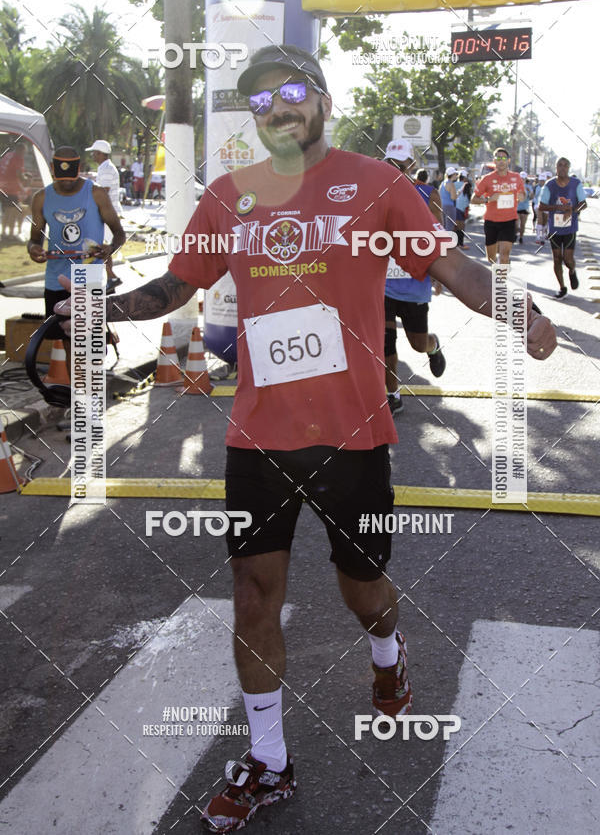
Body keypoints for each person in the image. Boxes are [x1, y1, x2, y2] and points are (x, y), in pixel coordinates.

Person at [54, 45, 557, 834]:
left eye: (291, 92)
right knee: (253, 593)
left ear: (323, 100)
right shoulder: (230, 196)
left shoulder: (377, 184)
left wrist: (519, 309)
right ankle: (269, 760)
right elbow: (175, 285)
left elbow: (451, 266)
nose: (277, 108)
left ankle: (388, 655)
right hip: (258, 434)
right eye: (260, 101)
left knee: (364, 590)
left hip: (353, 435)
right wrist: (95, 308)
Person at [27, 146, 126, 358]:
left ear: (79, 168)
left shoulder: (97, 194)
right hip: (56, 280)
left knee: (89, 343)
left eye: (70, 176)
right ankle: (75, 380)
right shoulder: (41, 198)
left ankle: (91, 376)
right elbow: (34, 239)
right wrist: (34, 249)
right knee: (68, 341)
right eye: (61, 177)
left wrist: (110, 249)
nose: (66, 182)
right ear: (53, 169)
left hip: (88, 278)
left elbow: (119, 233)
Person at [382, 143, 446, 416]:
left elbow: (438, 235)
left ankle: (433, 346)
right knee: (385, 342)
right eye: (390, 163)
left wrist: (440, 274)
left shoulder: (428, 194)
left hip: (414, 284)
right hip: (383, 285)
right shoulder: (376, 193)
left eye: (400, 164)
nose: (395, 169)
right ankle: (392, 394)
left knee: (418, 344)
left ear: (410, 164)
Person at [538, 157, 587, 299]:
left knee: (568, 258)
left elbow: (584, 204)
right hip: (554, 228)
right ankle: (562, 288)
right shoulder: (549, 185)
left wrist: (572, 210)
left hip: (570, 227)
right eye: (560, 165)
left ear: (569, 168)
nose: (562, 167)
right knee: (557, 258)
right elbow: (541, 206)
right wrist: (558, 208)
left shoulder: (576, 184)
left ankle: (572, 270)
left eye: (565, 165)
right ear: (556, 168)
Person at [471, 147, 525, 264]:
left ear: (508, 160)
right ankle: (499, 264)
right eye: (498, 158)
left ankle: (502, 271)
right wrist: (489, 199)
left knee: (504, 255)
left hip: (509, 221)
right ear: (494, 161)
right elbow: (473, 199)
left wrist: (521, 196)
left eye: (504, 158)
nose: (501, 161)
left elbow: (522, 194)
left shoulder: (516, 177)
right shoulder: (487, 179)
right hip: (491, 222)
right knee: (491, 258)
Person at [86, 139, 123, 287]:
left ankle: (109, 278)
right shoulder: (105, 167)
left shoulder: (106, 169)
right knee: (100, 245)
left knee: (100, 245)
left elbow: (104, 192)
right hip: (107, 212)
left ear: (101, 153)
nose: (93, 155)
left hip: (108, 213)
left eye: (94, 153)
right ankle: (110, 277)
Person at [0, 142, 27, 243]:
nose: (24, 155)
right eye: (24, 152)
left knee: (6, 212)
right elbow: (19, 174)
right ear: (21, 150)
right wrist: (26, 178)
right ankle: (10, 235)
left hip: (2, 187)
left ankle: (3, 233)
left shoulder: (8, 155)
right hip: (11, 189)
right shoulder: (18, 158)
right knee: (13, 213)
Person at [439, 166, 458, 239]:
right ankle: (448, 242)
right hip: (450, 207)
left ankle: (443, 242)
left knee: (443, 226)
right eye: (455, 174)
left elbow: (439, 194)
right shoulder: (451, 184)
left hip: (442, 206)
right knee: (450, 226)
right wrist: (458, 194)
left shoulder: (442, 183)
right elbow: (453, 197)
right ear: (452, 175)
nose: (456, 175)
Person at [455, 169, 471, 250]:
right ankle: (460, 244)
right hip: (460, 209)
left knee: (456, 226)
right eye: (467, 176)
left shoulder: (454, 184)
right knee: (461, 227)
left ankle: (457, 244)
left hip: (454, 207)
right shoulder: (466, 185)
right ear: (464, 177)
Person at [516, 171, 533, 243]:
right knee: (516, 224)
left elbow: (531, 197)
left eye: (523, 178)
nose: (522, 179)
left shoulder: (529, 187)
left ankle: (521, 237)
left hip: (525, 207)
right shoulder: (516, 186)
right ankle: (515, 234)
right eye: (521, 178)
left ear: (526, 179)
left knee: (523, 224)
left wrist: (530, 192)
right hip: (516, 207)